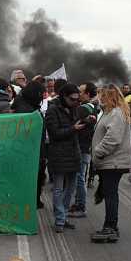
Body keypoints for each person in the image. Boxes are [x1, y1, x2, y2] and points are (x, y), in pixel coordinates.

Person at [89, 85, 131, 241]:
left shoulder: (116, 113)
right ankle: (111, 226)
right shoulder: (112, 112)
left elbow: (113, 138)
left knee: (110, 194)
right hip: (111, 161)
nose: (99, 98)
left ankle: (110, 227)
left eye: (101, 95)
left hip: (112, 161)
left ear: (108, 97)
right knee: (110, 193)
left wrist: (98, 152)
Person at [46, 84, 85, 233]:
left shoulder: (75, 109)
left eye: (77, 99)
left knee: (70, 188)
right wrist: (73, 129)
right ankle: (60, 219)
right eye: (72, 99)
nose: (75, 102)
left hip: (73, 153)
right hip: (59, 154)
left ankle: (64, 215)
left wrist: (87, 121)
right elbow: (54, 133)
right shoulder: (52, 110)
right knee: (58, 188)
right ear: (64, 97)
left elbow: (78, 125)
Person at [13, 81, 47, 209]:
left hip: (33, 151)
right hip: (30, 153)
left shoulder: (24, 104)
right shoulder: (26, 110)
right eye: (40, 94)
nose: (42, 97)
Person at [69, 82, 98, 218]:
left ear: (87, 94)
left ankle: (81, 206)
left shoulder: (82, 109)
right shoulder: (93, 107)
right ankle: (78, 203)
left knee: (79, 178)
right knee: (81, 177)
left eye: (80, 92)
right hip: (87, 147)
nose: (78, 94)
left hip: (81, 147)